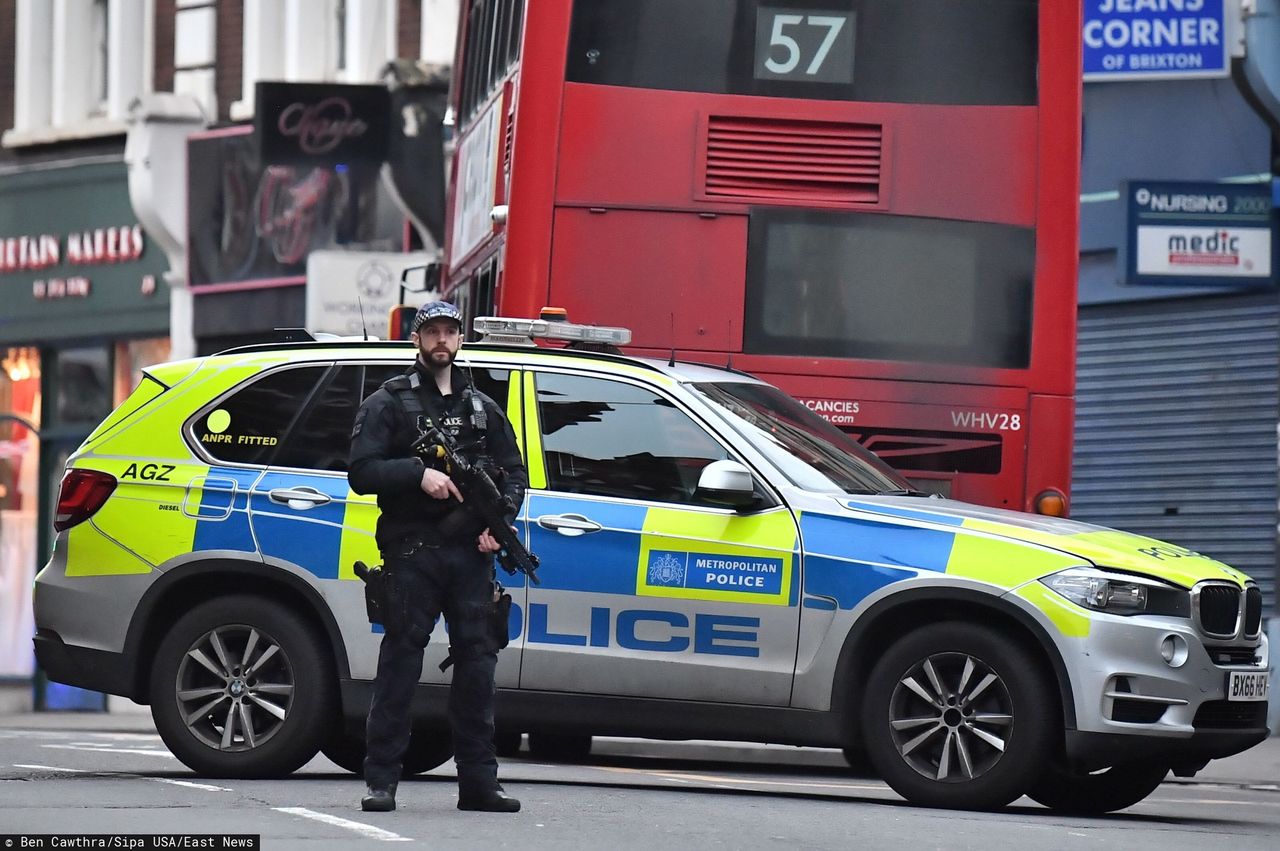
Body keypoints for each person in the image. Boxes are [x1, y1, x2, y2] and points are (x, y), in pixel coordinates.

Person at [348, 300, 527, 813]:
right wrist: (416, 474)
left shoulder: (483, 408)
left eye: (450, 331)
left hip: (472, 557)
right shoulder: (388, 403)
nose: (441, 340)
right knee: (401, 663)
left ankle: (478, 783)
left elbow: (515, 473)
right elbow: (361, 472)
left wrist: (501, 524)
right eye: (432, 332)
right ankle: (381, 781)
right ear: (417, 340)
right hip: (414, 554)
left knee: (478, 665)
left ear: (460, 339)